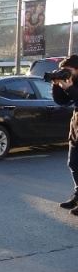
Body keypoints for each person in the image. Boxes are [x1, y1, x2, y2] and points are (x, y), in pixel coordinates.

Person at [52, 55, 78, 215]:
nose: (65, 73)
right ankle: (77, 195)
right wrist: (56, 85)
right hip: (76, 129)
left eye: (67, 70)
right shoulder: (71, 81)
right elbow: (61, 102)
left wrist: (70, 88)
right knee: (73, 164)